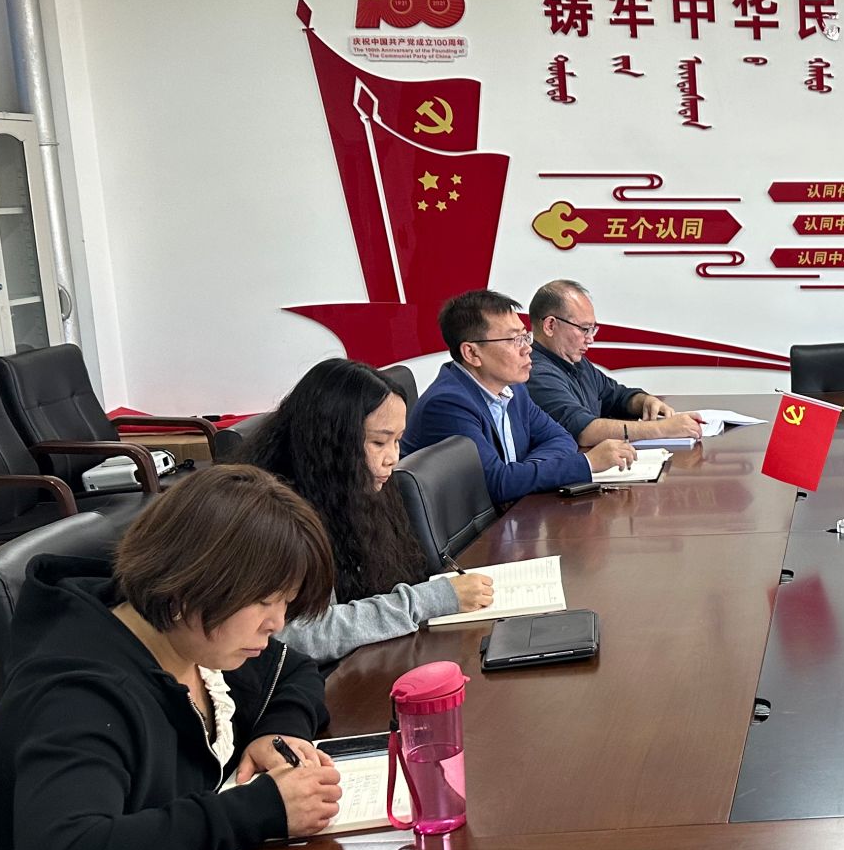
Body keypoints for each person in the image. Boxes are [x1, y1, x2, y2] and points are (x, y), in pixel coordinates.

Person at [0, 465, 345, 850]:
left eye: (284, 602)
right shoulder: (76, 694)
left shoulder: (192, 639)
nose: (277, 622)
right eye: (265, 600)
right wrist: (258, 810)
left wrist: (277, 732)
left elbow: (294, 671)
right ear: (192, 581)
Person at [249, 358, 495, 661]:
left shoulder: (349, 487)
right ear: (331, 441)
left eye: (397, 441)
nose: (393, 457)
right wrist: (429, 601)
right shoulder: (278, 513)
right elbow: (304, 634)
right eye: (379, 442)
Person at [404, 289, 634, 506]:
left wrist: (524, 472)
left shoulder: (513, 390)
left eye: (525, 337)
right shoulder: (448, 404)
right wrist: (588, 462)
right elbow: (496, 484)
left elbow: (561, 438)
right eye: (514, 340)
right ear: (472, 353)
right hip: (477, 533)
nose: (527, 349)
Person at [526, 278, 700, 447]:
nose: (590, 339)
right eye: (584, 329)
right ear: (550, 325)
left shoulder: (575, 362)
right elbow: (584, 431)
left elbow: (617, 396)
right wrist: (663, 429)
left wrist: (645, 402)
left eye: (592, 329)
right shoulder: (536, 372)